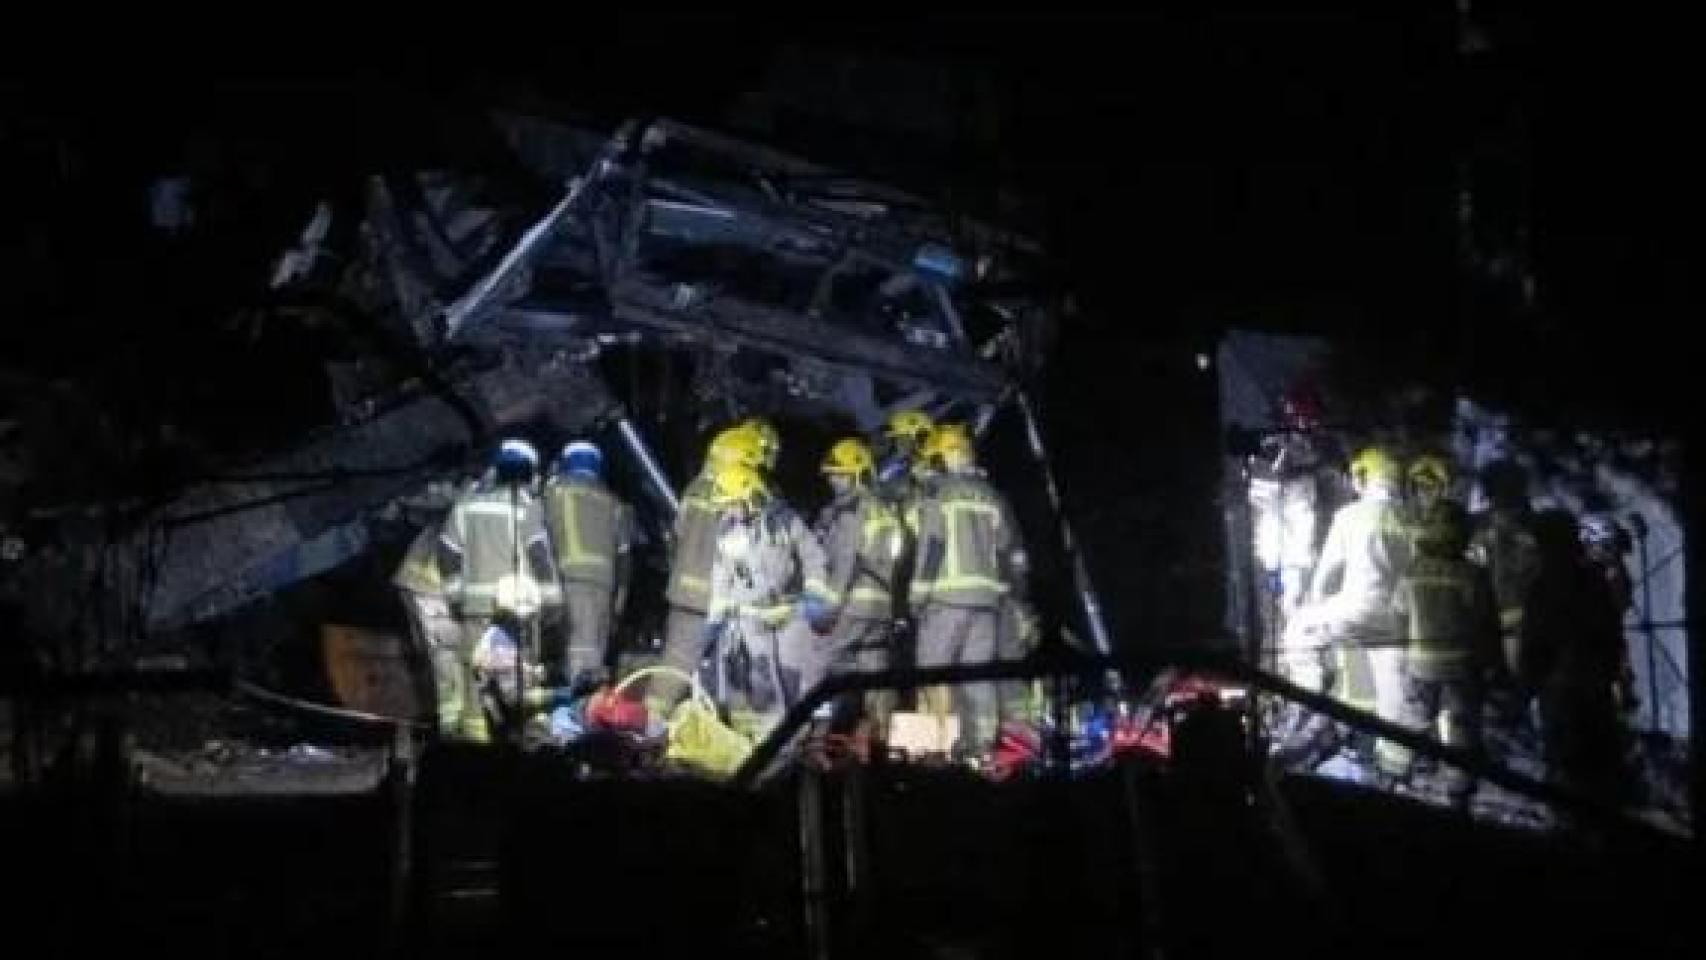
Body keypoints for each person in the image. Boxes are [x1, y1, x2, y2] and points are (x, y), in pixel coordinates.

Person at [1281, 446, 1411, 776]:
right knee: (1391, 704)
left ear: (1364, 477)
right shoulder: (1414, 518)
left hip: (1355, 610)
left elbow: (1325, 577)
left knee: (1299, 630)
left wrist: (1310, 603)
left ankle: (1305, 704)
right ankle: (1391, 774)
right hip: (1398, 623)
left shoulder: (1350, 516)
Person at [907, 423, 1029, 761]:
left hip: (945, 601)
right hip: (986, 605)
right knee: (978, 678)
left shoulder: (938, 493)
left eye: (936, 458)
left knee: (931, 673)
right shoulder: (992, 496)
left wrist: (917, 596)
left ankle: (930, 753)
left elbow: (932, 545)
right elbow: (1007, 549)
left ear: (947, 455)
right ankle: (982, 749)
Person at [437, 439, 560, 742]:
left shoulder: (467, 505)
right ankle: (518, 748)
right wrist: (552, 602)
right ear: (528, 472)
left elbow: (447, 551)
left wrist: (455, 594)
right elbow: (540, 557)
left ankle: (476, 749)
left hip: (474, 609)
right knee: (518, 679)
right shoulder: (529, 509)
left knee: (474, 681)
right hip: (516, 613)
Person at [702, 463, 831, 739]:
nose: (729, 511)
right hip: (752, 619)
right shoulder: (727, 532)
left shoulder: (785, 521)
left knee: (795, 678)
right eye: (726, 506)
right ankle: (774, 742)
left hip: (789, 613)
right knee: (763, 687)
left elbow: (813, 556)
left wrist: (814, 595)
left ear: (752, 496)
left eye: (734, 504)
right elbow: (721, 579)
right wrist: (712, 623)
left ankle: (809, 739)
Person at [651, 425, 766, 717]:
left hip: (686, 595)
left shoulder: (694, 489)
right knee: (734, 671)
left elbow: (678, 533)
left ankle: (648, 727)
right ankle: (741, 742)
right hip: (721, 600)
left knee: (675, 665)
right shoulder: (740, 495)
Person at [1390, 498, 1496, 806]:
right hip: (1462, 667)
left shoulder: (1412, 572)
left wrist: (1401, 654)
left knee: (1415, 720)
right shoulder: (1473, 575)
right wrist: (1491, 665)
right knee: (1462, 727)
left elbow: (1397, 614)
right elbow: (1485, 624)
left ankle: (1404, 778)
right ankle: (1458, 790)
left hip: (1420, 665)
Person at [1522, 510, 1629, 807]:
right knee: (1599, 761)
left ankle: (1568, 824)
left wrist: (1526, 686)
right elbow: (1611, 632)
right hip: (1595, 686)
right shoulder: (1594, 579)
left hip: (1560, 690)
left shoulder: (1542, 586)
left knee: (1565, 763)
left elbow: (1533, 644)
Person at [811, 437, 906, 735]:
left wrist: (828, 609)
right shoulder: (884, 508)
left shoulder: (851, 510)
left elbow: (843, 562)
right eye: (831, 475)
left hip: (852, 603)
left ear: (857, 474)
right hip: (880, 607)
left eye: (839, 475)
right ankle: (879, 739)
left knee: (819, 665)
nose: (833, 482)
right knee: (874, 675)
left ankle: (815, 737)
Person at [542, 441, 633, 692]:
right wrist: (619, 604)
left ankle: (572, 721)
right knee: (590, 656)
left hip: (561, 581)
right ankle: (583, 714)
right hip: (602, 589)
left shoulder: (553, 492)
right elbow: (625, 559)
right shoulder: (614, 503)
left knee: (564, 655)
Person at [392, 519, 462, 738]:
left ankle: (445, 719)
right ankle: (452, 729)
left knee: (435, 658)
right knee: (447, 659)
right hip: (428, 590)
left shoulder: (458, 515)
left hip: (416, 584)